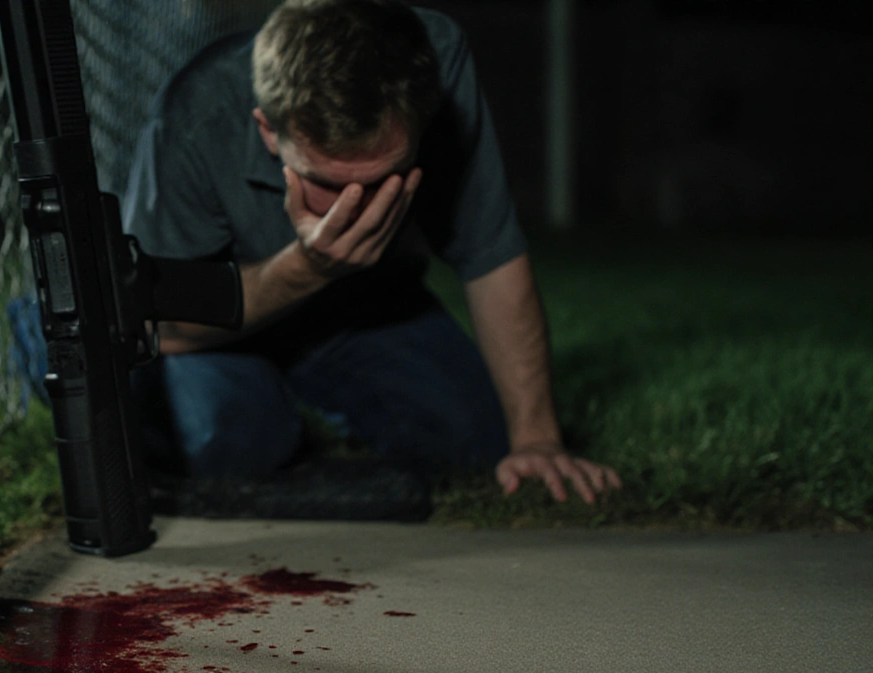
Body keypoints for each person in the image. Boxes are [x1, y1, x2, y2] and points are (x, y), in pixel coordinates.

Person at [119, 0, 620, 504]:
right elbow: (162, 327)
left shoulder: (436, 61)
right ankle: (38, 333)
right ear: (269, 130)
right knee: (231, 450)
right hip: (215, 326)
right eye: (325, 182)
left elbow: (490, 253)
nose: (354, 208)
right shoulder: (196, 113)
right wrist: (307, 268)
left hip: (361, 304)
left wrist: (538, 439)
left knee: (476, 445)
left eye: (382, 179)